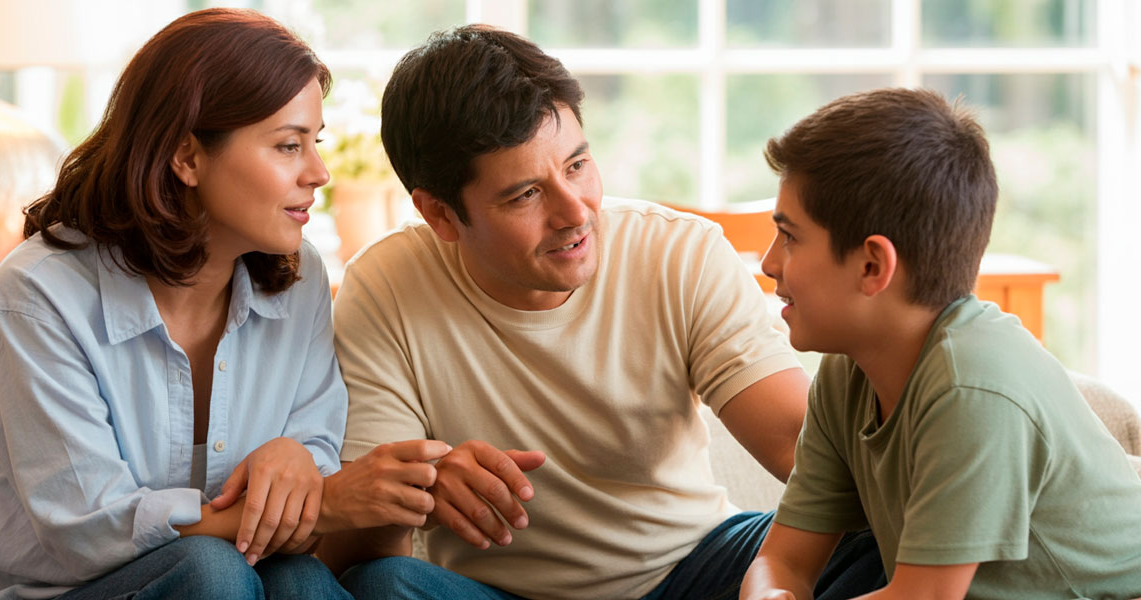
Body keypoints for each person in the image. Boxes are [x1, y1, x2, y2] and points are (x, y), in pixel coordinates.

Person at [319, 24, 885, 599]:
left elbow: (799, 446)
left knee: (877, 539)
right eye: (525, 195)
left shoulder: (678, 252)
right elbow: (360, 551)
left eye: (576, 166)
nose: (575, 213)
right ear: (440, 215)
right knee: (384, 585)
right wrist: (419, 493)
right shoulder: (386, 286)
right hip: (497, 593)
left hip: (693, 568)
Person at [0, 9, 447, 600]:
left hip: (219, 574)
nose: (320, 172)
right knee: (214, 576)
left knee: (300, 581)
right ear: (186, 158)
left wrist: (295, 459)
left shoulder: (301, 274)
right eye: (288, 146)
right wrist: (325, 500)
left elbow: (314, 450)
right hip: (47, 591)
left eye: (316, 143)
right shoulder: (40, 294)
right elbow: (88, 532)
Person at [738, 88, 1141, 599]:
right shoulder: (846, 376)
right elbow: (783, 559)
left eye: (789, 237)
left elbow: (922, 598)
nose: (769, 262)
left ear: (872, 266)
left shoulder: (971, 385)